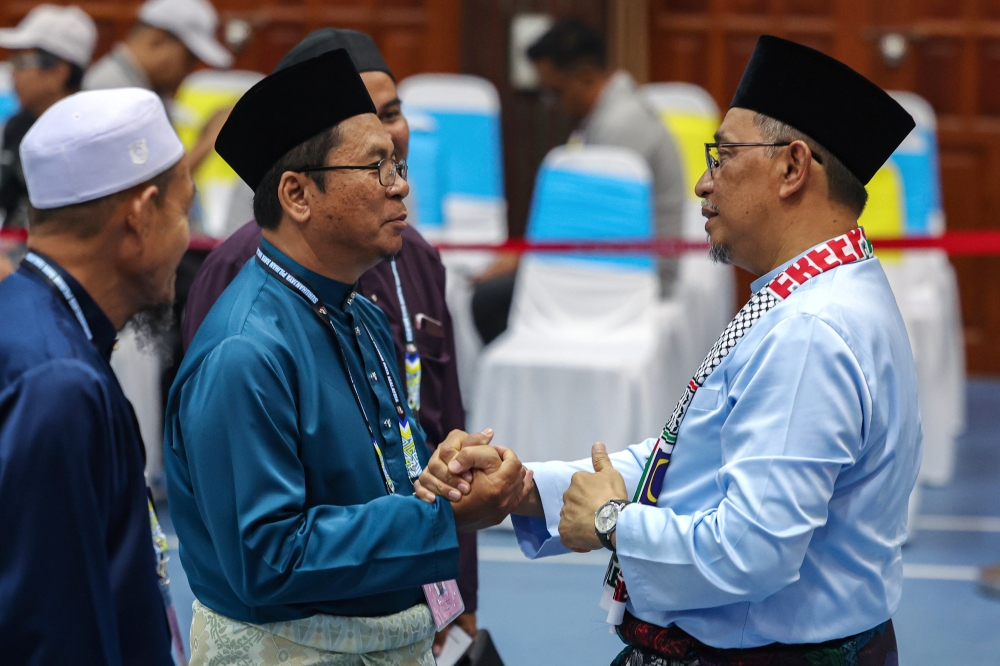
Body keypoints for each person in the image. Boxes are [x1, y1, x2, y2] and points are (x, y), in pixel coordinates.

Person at [417, 36, 920, 665]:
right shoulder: (815, 293)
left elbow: (751, 550)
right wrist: (528, 490)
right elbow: (693, 464)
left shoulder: (812, 328)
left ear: (792, 169)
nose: (704, 184)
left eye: (724, 156)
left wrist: (612, 525)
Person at [164, 49, 527, 665]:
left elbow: (388, 478)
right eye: (377, 166)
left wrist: (440, 474)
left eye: (398, 163)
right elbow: (270, 559)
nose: (401, 185)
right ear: (298, 194)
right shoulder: (245, 353)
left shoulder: (357, 312)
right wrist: (442, 521)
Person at [0, 88, 193, 665]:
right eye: (184, 210)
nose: (187, 239)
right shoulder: (57, 382)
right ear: (140, 216)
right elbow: (51, 634)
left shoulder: (34, 326)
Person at [470, 18, 686, 345]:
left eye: (554, 92)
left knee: (489, 302)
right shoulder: (607, 117)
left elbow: (587, 227)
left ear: (585, 78)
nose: (553, 105)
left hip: (637, 275)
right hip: (610, 261)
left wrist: (520, 258)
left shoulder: (621, 126)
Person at [84, 0, 232, 170]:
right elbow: (150, 191)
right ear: (157, 40)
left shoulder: (143, 89)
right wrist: (210, 140)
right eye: (189, 58)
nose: (190, 70)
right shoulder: (113, 93)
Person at [0, 4, 96, 228]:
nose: (13, 72)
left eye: (21, 63)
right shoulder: (19, 124)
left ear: (59, 71)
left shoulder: (89, 134)